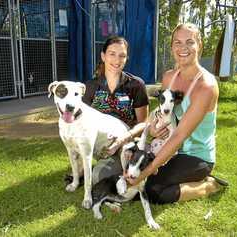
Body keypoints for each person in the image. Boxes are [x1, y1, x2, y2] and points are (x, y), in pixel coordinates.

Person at [124, 23, 228, 204]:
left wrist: (148, 171)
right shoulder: (168, 77)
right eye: (177, 43)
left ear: (199, 45)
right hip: (170, 148)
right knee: (133, 173)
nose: (183, 48)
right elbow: (161, 114)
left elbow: (179, 135)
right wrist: (154, 130)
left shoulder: (206, 87)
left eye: (190, 42)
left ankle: (208, 185)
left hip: (195, 155)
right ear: (172, 46)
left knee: (151, 189)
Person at [82, 35, 149, 185]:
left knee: (101, 177)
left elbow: (143, 123)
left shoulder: (136, 85)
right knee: (99, 178)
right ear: (103, 56)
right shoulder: (91, 86)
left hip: (125, 140)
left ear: (127, 58)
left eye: (122, 56)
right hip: (100, 142)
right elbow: (82, 123)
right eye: (112, 54)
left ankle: (130, 160)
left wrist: (122, 140)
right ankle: (121, 164)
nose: (117, 60)